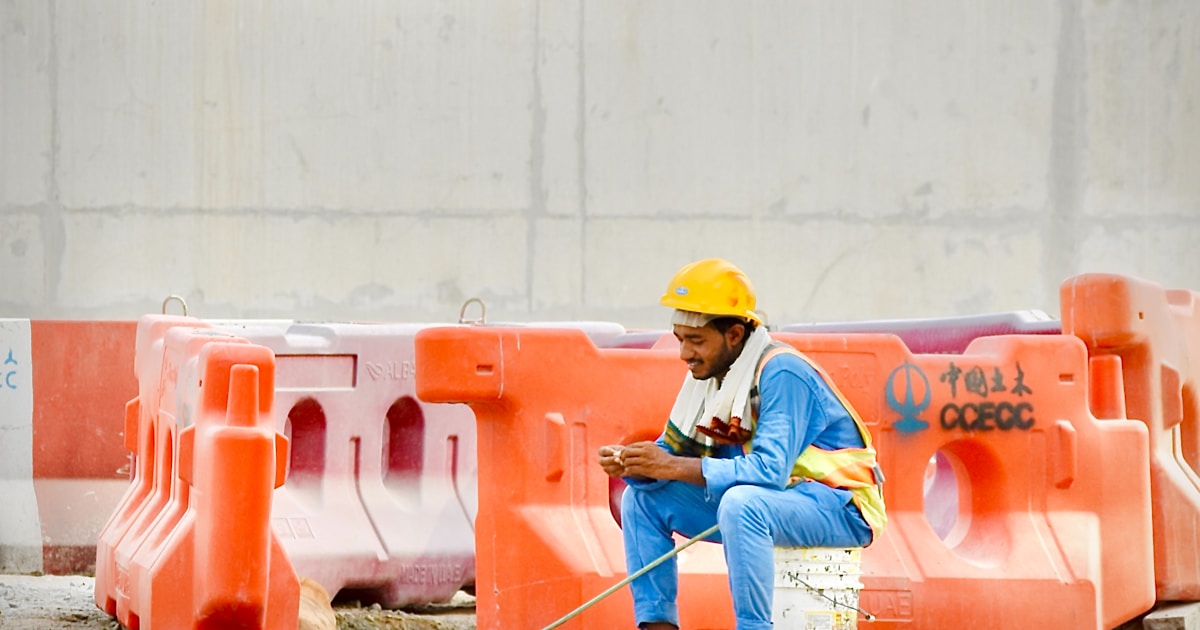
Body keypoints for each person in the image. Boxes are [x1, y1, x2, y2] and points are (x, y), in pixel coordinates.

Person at [597, 258, 886, 630]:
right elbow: (673, 454)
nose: (684, 353)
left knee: (741, 504)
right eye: (680, 340)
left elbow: (768, 471)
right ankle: (657, 624)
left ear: (734, 335)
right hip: (771, 503)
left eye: (696, 341)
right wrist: (634, 465)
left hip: (839, 506)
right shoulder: (708, 376)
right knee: (641, 499)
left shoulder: (781, 372)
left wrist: (670, 466)